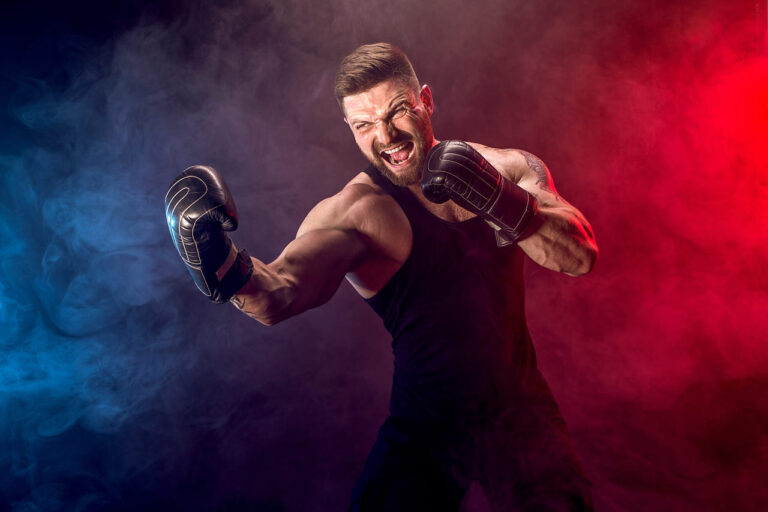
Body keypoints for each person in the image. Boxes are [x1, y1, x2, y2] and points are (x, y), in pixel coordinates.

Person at [165, 42, 598, 511]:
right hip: (426, 427)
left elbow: (579, 256)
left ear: (425, 101)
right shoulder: (357, 212)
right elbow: (278, 294)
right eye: (365, 124)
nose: (386, 135)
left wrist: (496, 197)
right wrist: (216, 261)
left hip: (522, 414)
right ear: (350, 128)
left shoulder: (506, 169)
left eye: (397, 112)